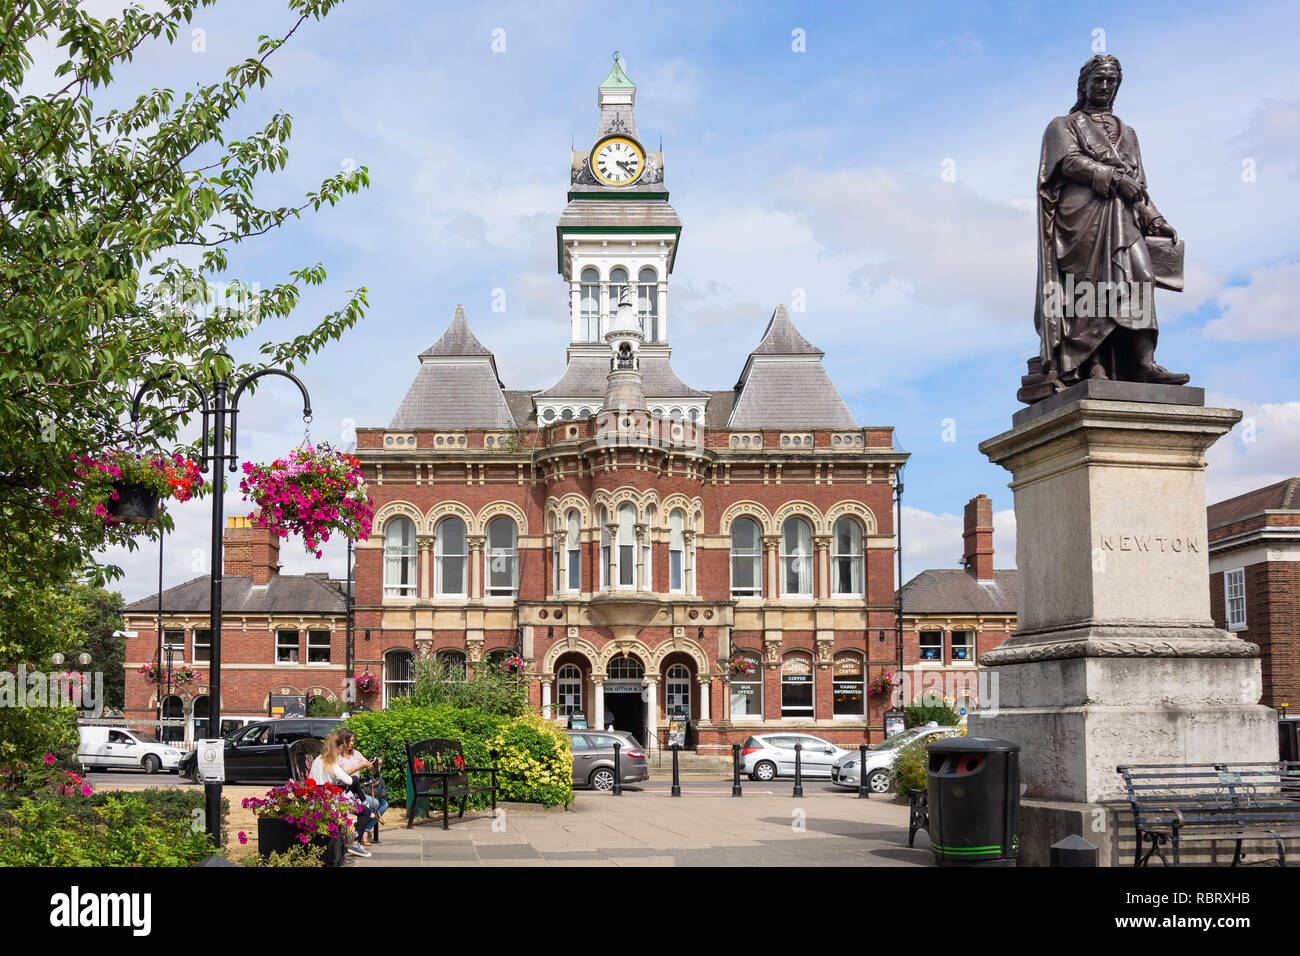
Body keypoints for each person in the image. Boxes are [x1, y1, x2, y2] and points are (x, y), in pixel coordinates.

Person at [1033, 54, 1187, 387]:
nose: (1104, 86)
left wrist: (1154, 217)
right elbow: (1069, 162)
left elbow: (1139, 185)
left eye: (1111, 81)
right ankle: (1093, 364)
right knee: (1090, 288)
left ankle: (1144, 362)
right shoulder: (1063, 125)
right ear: (1084, 84)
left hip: (1125, 219)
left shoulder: (1128, 133)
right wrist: (1113, 179)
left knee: (1140, 277)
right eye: (1098, 80)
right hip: (1082, 216)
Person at [309, 731, 372, 858]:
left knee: (354, 785)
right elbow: (349, 781)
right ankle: (355, 844)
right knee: (365, 811)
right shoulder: (332, 763)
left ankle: (363, 802)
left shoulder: (317, 760)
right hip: (329, 803)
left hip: (314, 798)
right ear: (338, 748)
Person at [336, 728, 387, 846]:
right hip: (347, 792)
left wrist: (375, 763)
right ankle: (362, 833)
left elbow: (368, 766)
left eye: (353, 741)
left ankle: (364, 830)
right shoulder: (337, 757)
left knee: (384, 804)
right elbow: (340, 775)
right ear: (341, 741)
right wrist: (359, 767)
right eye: (348, 741)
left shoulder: (356, 754)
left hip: (359, 790)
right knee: (375, 803)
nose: (351, 743)